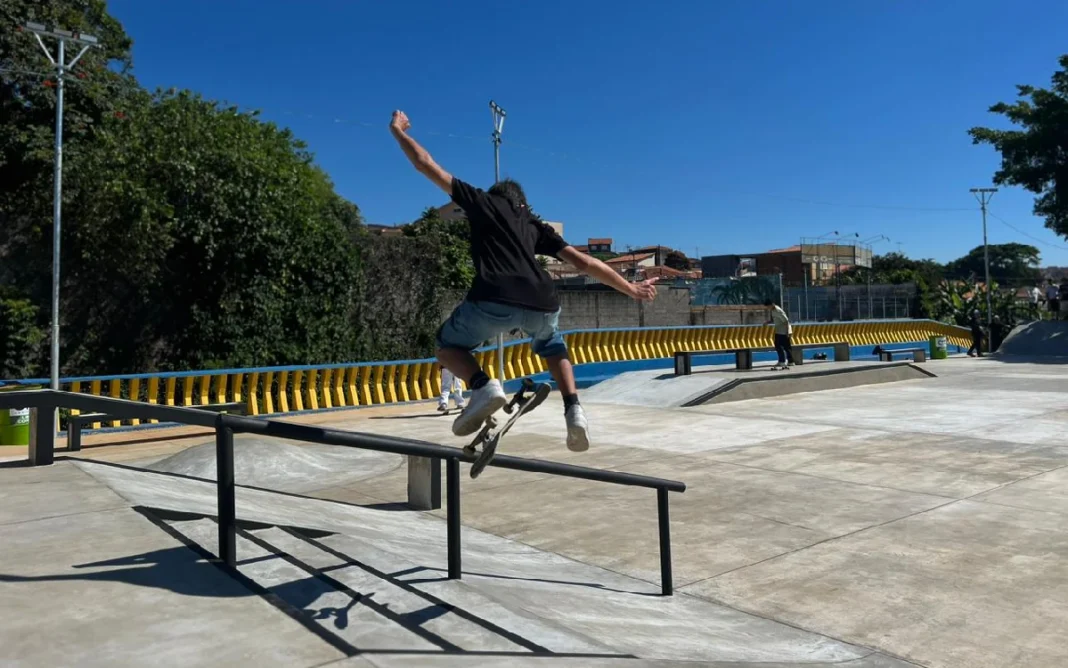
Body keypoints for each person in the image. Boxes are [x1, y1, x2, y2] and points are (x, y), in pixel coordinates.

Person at [388, 110, 658, 451]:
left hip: (493, 296)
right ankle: (574, 409)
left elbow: (426, 164)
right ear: (523, 202)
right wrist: (631, 288)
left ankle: (482, 385)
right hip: (544, 302)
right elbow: (586, 262)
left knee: (446, 345)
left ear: (496, 194)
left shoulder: (481, 201)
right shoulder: (533, 223)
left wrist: (398, 131)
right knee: (554, 345)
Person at [764, 298, 795, 368]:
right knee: (785, 346)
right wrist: (767, 322)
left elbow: (786, 321)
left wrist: (787, 332)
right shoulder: (772, 310)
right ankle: (790, 361)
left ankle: (782, 361)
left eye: (768, 306)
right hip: (779, 330)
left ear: (772, 304)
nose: (768, 308)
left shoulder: (778, 310)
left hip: (784, 331)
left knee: (780, 346)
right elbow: (774, 319)